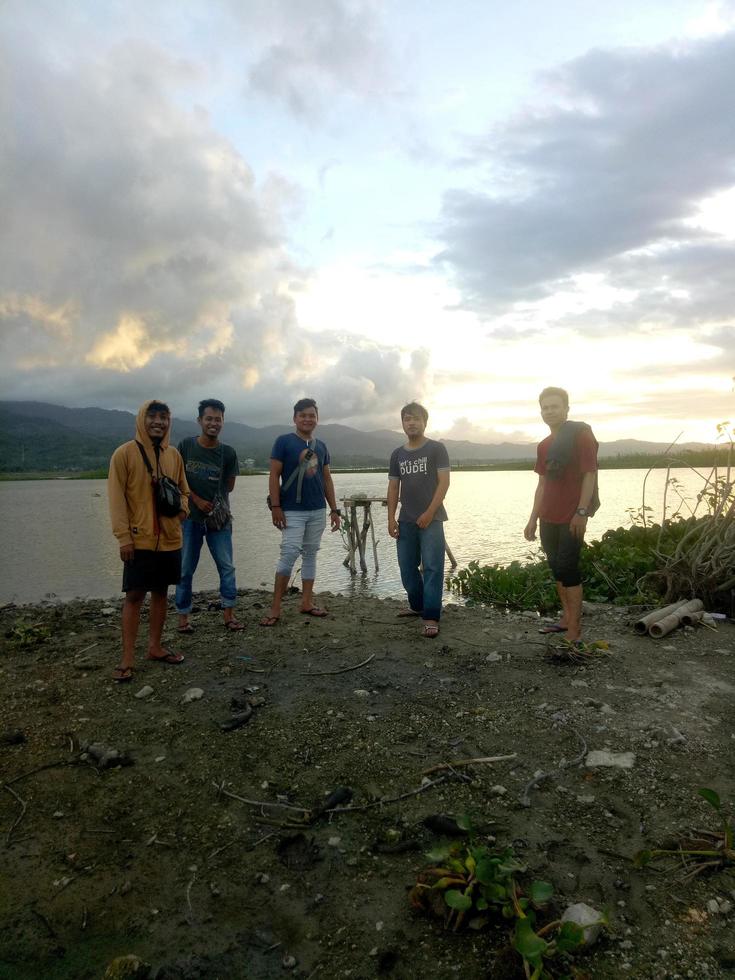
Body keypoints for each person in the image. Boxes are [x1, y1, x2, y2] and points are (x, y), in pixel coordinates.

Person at [108, 400, 189, 682]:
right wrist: (123, 538)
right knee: (134, 596)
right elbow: (117, 501)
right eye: (152, 416)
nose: (158, 422)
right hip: (139, 540)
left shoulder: (174, 455)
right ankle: (127, 658)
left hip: (170, 539)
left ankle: (155, 647)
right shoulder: (124, 454)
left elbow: (184, 491)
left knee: (160, 592)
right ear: (142, 419)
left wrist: (181, 514)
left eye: (164, 417)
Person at [524, 387, 599, 643]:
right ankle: (566, 619)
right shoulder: (544, 446)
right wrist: (532, 518)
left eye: (555, 406)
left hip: (572, 516)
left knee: (569, 568)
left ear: (566, 408)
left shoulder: (581, 436)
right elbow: (542, 485)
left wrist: (582, 512)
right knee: (556, 568)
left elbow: (590, 474)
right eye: (545, 407)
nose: (550, 411)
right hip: (547, 516)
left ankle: (575, 632)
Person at [260, 398, 341, 626]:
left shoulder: (322, 446)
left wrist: (334, 510)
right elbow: (274, 475)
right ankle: (275, 608)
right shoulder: (283, 442)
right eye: (303, 415)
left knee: (311, 554)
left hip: (317, 510)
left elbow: (326, 479)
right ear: (294, 418)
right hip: (292, 511)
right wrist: (276, 507)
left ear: (317, 419)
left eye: (312, 415)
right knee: (288, 554)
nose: (308, 419)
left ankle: (306, 602)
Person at [175, 398, 244, 633]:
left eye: (218, 419)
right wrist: (196, 499)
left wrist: (213, 502)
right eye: (209, 419)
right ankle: (183, 619)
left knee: (227, 566)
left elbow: (230, 486)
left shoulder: (228, 453)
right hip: (190, 519)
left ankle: (229, 615)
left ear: (223, 422)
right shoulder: (185, 446)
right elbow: (177, 481)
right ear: (199, 421)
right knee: (185, 569)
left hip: (219, 521)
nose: (213, 423)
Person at [387, 402, 450, 638]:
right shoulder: (397, 454)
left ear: (425, 422)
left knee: (433, 567)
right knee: (407, 567)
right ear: (403, 423)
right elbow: (393, 487)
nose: (411, 422)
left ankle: (431, 615)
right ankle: (417, 605)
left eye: (416, 419)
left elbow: (444, 483)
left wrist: (430, 512)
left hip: (432, 519)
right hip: (406, 520)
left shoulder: (436, 449)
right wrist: (391, 518)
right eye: (407, 419)